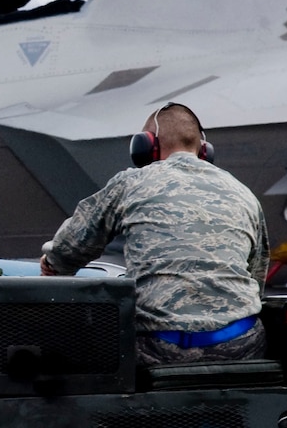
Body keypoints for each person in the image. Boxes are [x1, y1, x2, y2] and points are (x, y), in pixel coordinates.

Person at [39, 103, 269, 364]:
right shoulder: (243, 193)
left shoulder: (131, 183)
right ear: (204, 150)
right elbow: (256, 275)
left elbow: (71, 246)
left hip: (159, 346)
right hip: (240, 344)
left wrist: (53, 264)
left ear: (147, 146)